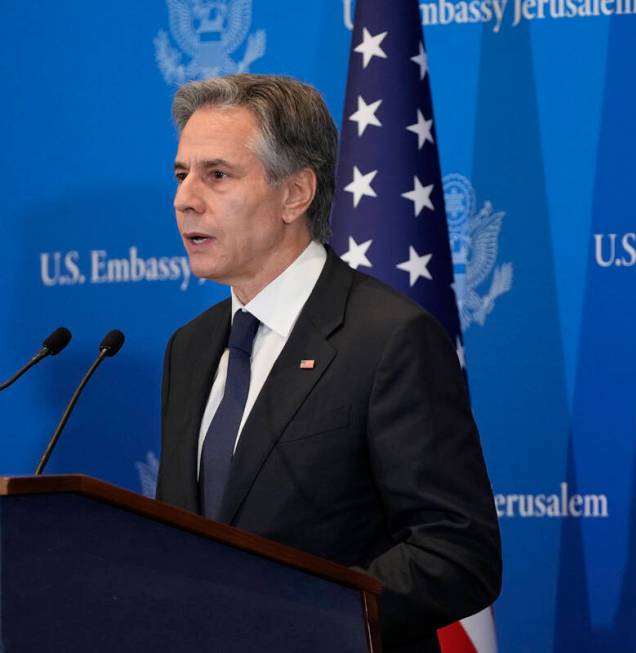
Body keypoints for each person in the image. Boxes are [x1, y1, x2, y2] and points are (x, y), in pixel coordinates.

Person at [155, 74, 501, 653]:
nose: (185, 198)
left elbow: (456, 553)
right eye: (181, 174)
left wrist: (290, 619)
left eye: (217, 175)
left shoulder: (389, 339)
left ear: (295, 194)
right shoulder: (189, 348)